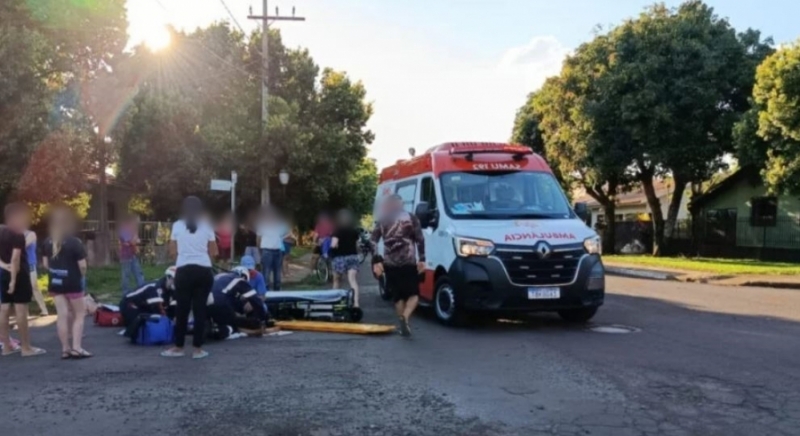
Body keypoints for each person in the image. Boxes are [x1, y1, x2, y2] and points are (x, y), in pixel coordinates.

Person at [162, 196, 217, 359]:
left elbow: (172, 251)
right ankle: (198, 349)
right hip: (203, 270)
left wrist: (183, 257)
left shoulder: (177, 225)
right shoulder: (207, 226)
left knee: (182, 310)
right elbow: (214, 251)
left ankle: (178, 347)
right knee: (200, 310)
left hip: (184, 271)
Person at [370, 195, 425, 337]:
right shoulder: (411, 218)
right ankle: (405, 318)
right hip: (408, 262)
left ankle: (402, 324)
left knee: (398, 296)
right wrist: (422, 259)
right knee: (414, 294)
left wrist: (376, 259)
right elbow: (420, 239)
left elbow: (373, 240)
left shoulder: (383, 220)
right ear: (401, 204)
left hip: (390, 263)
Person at [42, 206, 90, 359]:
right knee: (79, 315)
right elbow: (83, 266)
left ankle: (65, 349)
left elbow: (45, 264)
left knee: (62, 315)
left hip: (55, 283)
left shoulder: (47, 242)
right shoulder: (74, 242)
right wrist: (81, 276)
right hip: (73, 283)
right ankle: (77, 348)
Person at [0, 203, 46, 357]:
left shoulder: (1, 231)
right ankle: (26, 348)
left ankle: (6, 348)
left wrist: (4, 266)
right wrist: (13, 280)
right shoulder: (18, 235)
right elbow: (15, 259)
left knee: (4, 309)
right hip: (19, 274)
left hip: (3, 273)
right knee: (20, 310)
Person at [206, 267, 269, 340]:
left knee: (220, 318)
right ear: (244, 276)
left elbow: (231, 299)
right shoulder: (239, 280)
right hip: (220, 302)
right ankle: (224, 330)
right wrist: (262, 318)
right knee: (233, 325)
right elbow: (255, 299)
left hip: (205, 302)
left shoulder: (219, 277)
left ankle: (209, 327)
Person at [119, 267, 175, 337]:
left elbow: (173, 307)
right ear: (168, 278)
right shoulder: (155, 287)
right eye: (175, 280)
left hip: (144, 305)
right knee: (144, 323)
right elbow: (157, 308)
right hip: (129, 304)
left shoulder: (171, 289)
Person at [330, 209, 362, 307]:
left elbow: (333, 245)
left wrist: (332, 249)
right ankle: (356, 303)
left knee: (337, 280)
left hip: (339, 258)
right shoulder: (354, 231)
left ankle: (335, 302)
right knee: (352, 280)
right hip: (352, 257)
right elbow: (357, 246)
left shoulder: (337, 231)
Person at [257, 207, 289, 291]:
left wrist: (282, 238)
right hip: (267, 251)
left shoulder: (279, 225)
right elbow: (258, 238)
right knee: (266, 272)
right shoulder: (262, 225)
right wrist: (260, 250)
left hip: (277, 251)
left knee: (277, 272)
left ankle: (277, 291)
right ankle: (265, 291)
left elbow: (287, 232)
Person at [24, 228, 48, 316]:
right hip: (20, 264)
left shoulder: (31, 234)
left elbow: (23, 245)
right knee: (22, 289)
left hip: (30, 264)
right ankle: (25, 312)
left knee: (34, 286)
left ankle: (44, 309)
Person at [119, 215, 144, 295]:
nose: (137, 224)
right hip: (126, 256)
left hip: (132, 254)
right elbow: (133, 241)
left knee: (138, 273)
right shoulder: (124, 230)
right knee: (126, 275)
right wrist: (136, 234)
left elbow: (136, 241)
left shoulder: (131, 230)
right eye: (136, 222)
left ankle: (142, 289)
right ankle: (125, 292)